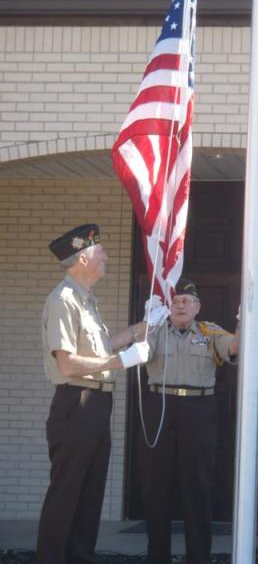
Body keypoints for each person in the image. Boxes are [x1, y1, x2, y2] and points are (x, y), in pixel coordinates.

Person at [37, 223, 151, 564]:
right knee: (67, 495)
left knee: (89, 496)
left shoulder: (86, 300)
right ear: (81, 259)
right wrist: (122, 362)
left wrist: (138, 329)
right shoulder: (64, 299)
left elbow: (99, 348)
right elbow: (68, 364)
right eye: (99, 251)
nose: (105, 256)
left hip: (97, 405)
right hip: (77, 403)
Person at [139, 277, 240, 564]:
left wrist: (244, 320)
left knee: (197, 486)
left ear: (197, 307)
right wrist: (148, 321)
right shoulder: (156, 329)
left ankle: (199, 557)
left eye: (186, 301)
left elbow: (233, 348)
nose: (180, 304)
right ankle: (156, 557)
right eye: (176, 300)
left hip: (199, 409)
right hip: (160, 405)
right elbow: (137, 350)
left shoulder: (209, 332)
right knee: (155, 484)